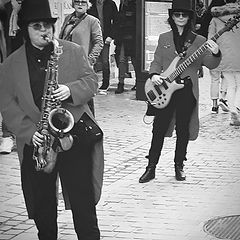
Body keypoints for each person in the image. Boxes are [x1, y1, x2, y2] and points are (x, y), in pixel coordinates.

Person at [0, 0, 104, 239]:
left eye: (47, 25)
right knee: (43, 209)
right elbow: (7, 104)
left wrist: (71, 90)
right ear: (25, 29)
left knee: (83, 203)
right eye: (37, 26)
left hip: (72, 138)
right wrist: (27, 132)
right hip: (38, 144)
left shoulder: (73, 51)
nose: (45, 30)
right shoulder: (9, 65)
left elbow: (91, 82)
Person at [139, 0, 221, 183]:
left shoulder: (199, 41)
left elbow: (211, 64)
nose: (181, 18)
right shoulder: (164, 37)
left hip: (186, 89)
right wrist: (153, 75)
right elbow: (157, 60)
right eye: (177, 14)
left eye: (184, 15)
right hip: (165, 88)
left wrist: (216, 52)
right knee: (158, 128)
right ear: (172, 16)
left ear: (190, 17)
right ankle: (151, 167)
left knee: (183, 129)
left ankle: (179, 166)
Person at [59, 0, 103, 115]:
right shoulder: (68, 18)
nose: (79, 4)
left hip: (81, 65)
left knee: (83, 94)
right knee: (68, 95)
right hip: (66, 64)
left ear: (88, 5)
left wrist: (89, 61)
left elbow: (99, 43)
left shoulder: (92, 21)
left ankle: (88, 124)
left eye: (83, 2)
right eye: (77, 1)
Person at [208, 0, 240, 125]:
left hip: (223, 56)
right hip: (238, 54)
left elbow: (210, 39)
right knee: (239, 85)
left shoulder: (215, 19)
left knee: (231, 85)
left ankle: (233, 109)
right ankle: (236, 108)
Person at [0, 0, 23, 154]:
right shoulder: (4, 8)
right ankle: (7, 136)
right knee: (7, 97)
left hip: (26, 60)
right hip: (8, 60)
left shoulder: (32, 7)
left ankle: (20, 135)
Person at [88, 0, 118, 94]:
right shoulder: (91, 3)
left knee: (105, 61)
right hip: (92, 37)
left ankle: (105, 83)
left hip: (105, 37)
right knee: (92, 61)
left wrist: (111, 36)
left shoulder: (110, 4)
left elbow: (116, 20)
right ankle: (91, 84)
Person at [114, 0, 137, 94]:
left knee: (135, 60)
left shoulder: (135, 3)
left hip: (133, 37)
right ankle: (121, 83)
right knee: (122, 60)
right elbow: (119, 20)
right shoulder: (123, 3)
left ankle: (138, 82)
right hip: (122, 36)